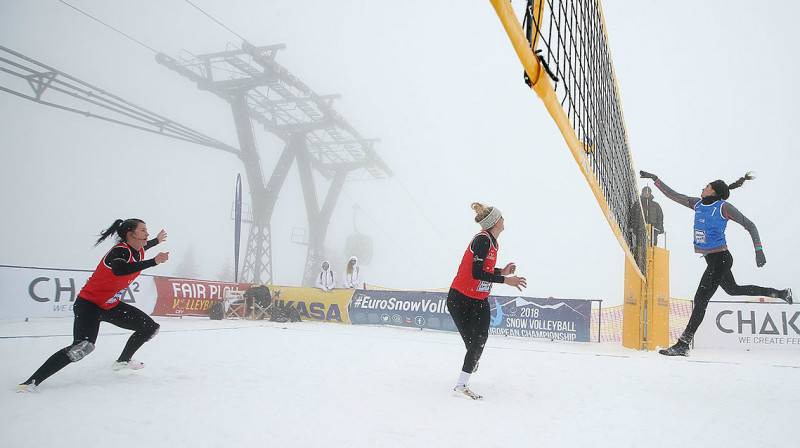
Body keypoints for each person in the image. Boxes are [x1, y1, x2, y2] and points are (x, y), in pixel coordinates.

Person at [640, 171, 793, 357]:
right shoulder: (697, 204)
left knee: (700, 299)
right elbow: (673, 195)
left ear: (713, 192)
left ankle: (683, 343)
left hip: (721, 259)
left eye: (707, 186)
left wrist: (758, 250)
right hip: (712, 259)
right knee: (733, 289)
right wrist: (656, 179)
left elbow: (750, 225)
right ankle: (780, 293)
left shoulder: (723, 207)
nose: (703, 188)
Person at [16, 219, 169, 392]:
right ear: (130, 234)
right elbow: (119, 269)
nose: (147, 234)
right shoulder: (119, 251)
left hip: (110, 306)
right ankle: (30, 383)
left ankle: (122, 362)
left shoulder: (139, 250)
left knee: (149, 327)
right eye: (143, 230)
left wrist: (156, 241)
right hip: (89, 305)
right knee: (83, 347)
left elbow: (145, 246)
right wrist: (153, 262)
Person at [448, 202, 527, 399]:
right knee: (473, 344)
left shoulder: (493, 242)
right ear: (494, 222)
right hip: (460, 299)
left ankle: (462, 384)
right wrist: (505, 280)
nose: (503, 219)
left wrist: (501, 271)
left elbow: (483, 270)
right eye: (501, 217)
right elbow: (476, 273)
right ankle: (464, 379)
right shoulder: (482, 240)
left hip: (479, 299)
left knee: (480, 340)